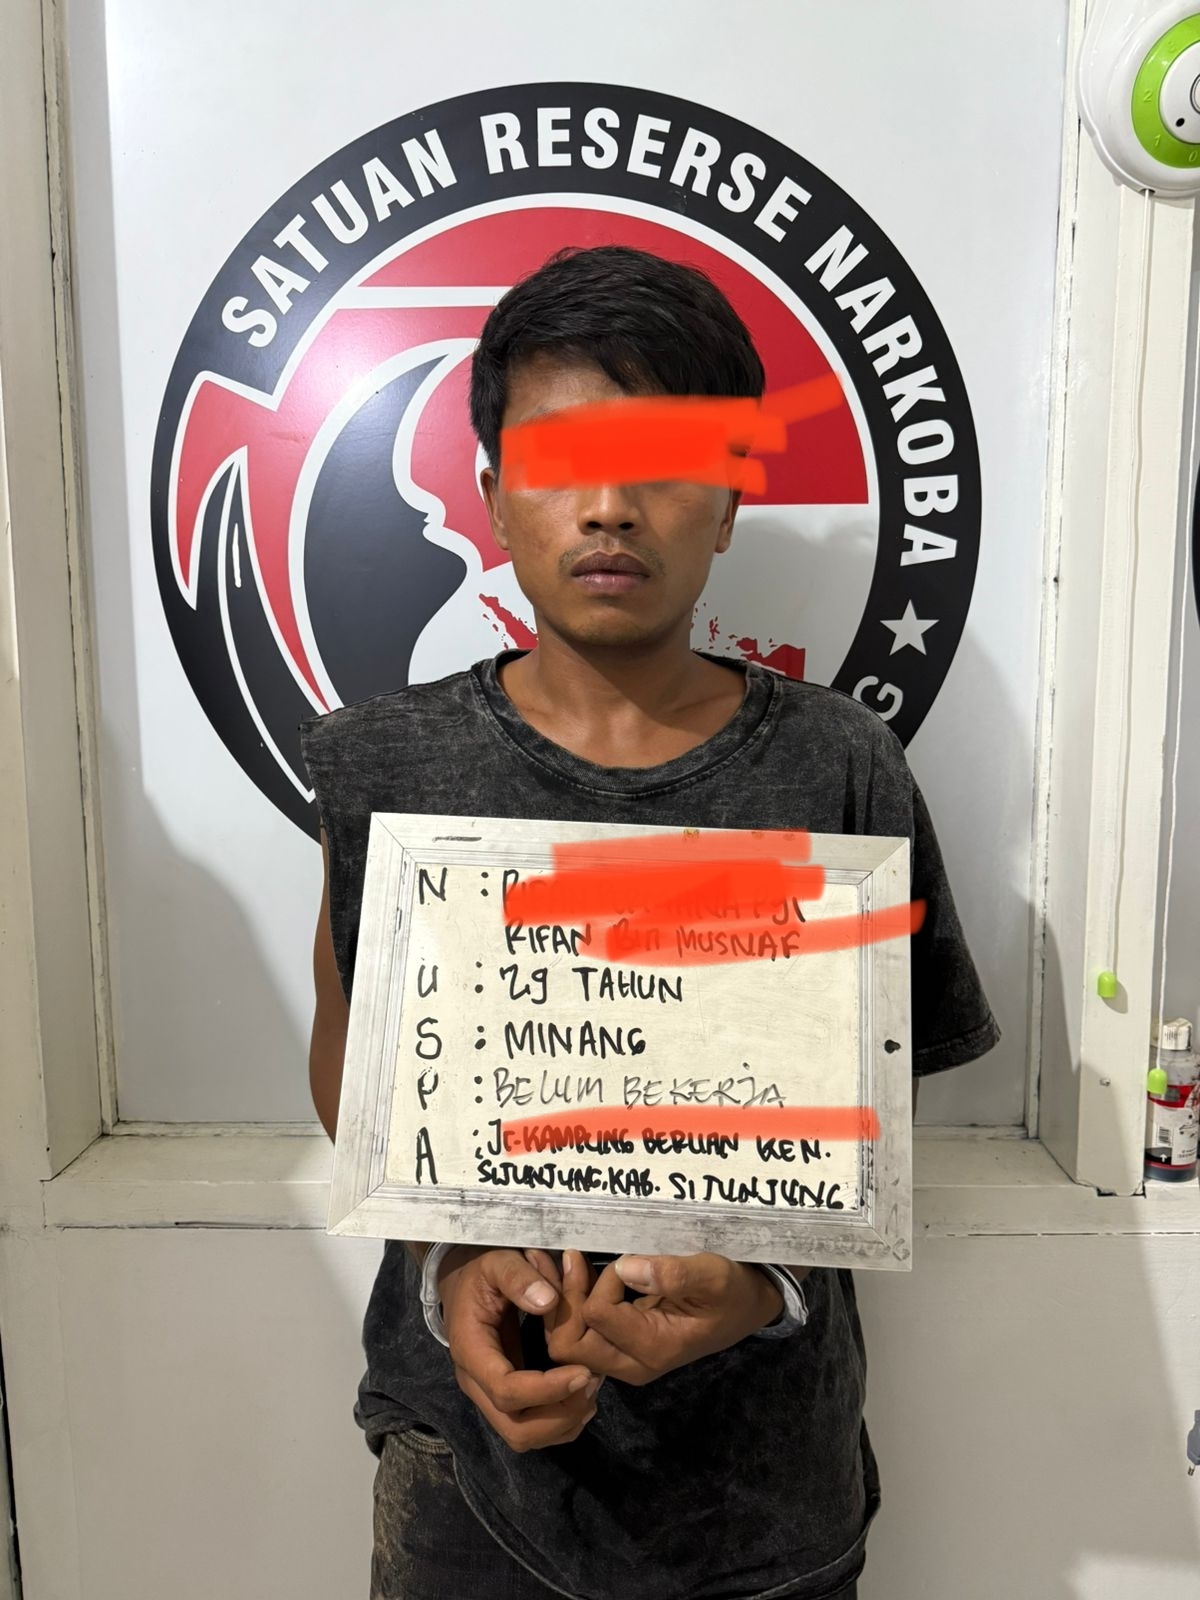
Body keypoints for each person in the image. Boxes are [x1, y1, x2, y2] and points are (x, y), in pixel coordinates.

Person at [301, 244, 1000, 1600]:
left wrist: (759, 1282)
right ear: (492, 494)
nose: (611, 506)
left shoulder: (837, 766)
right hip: (467, 1476)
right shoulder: (383, 764)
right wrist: (455, 1255)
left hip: (761, 1498)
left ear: (729, 499)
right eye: (561, 461)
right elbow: (355, 1073)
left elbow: (871, 1111)